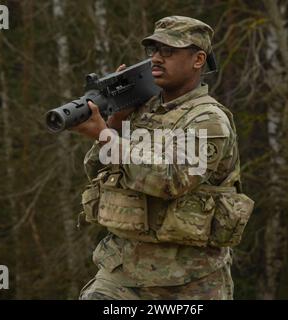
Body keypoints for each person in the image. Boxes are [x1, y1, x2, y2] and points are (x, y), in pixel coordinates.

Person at [73, 16, 254, 300]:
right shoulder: (140, 112)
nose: (156, 59)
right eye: (153, 51)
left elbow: (171, 180)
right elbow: (96, 169)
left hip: (191, 280)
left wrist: (106, 137)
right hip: (122, 274)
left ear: (198, 60)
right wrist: (115, 122)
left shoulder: (209, 119)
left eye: (168, 51)